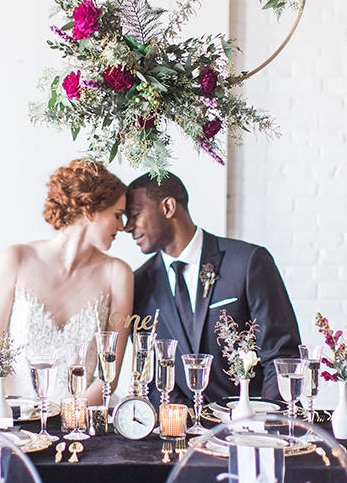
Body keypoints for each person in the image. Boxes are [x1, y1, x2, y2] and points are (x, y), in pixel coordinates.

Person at [125, 172, 300, 406]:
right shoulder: (138, 284)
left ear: (168, 207)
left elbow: (281, 354)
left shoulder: (247, 262)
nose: (127, 227)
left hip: (251, 423)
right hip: (182, 432)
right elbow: (151, 372)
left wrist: (263, 423)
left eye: (135, 215)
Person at [0, 160, 133, 405]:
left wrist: (70, 417)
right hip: (11, 412)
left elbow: (108, 375)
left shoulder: (118, 274)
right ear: (89, 209)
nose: (124, 227)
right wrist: (7, 413)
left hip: (83, 418)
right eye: (117, 215)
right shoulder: (16, 259)